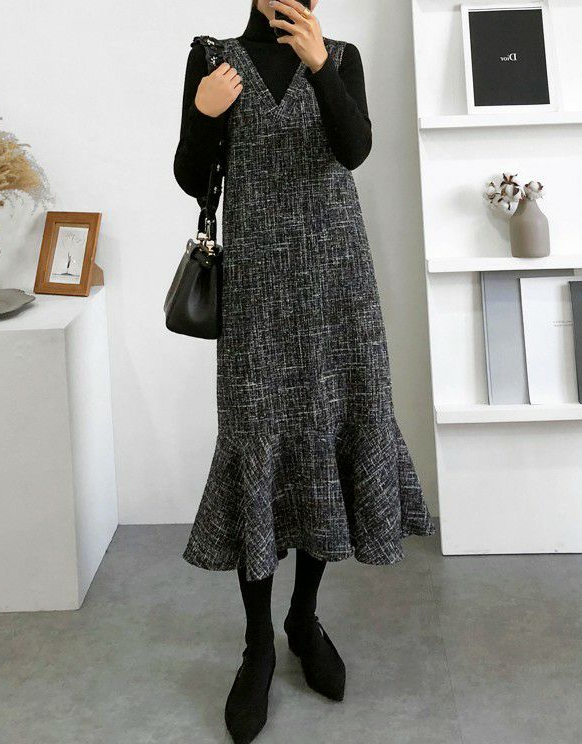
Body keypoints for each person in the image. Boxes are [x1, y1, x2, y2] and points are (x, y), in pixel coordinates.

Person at [173, 1, 435, 741]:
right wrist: (203, 112)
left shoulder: (341, 55)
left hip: (337, 281)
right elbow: (192, 177)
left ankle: (304, 616)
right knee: (258, 440)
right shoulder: (212, 56)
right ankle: (257, 642)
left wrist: (320, 67)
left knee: (328, 434)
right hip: (256, 287)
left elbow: (354, 150)